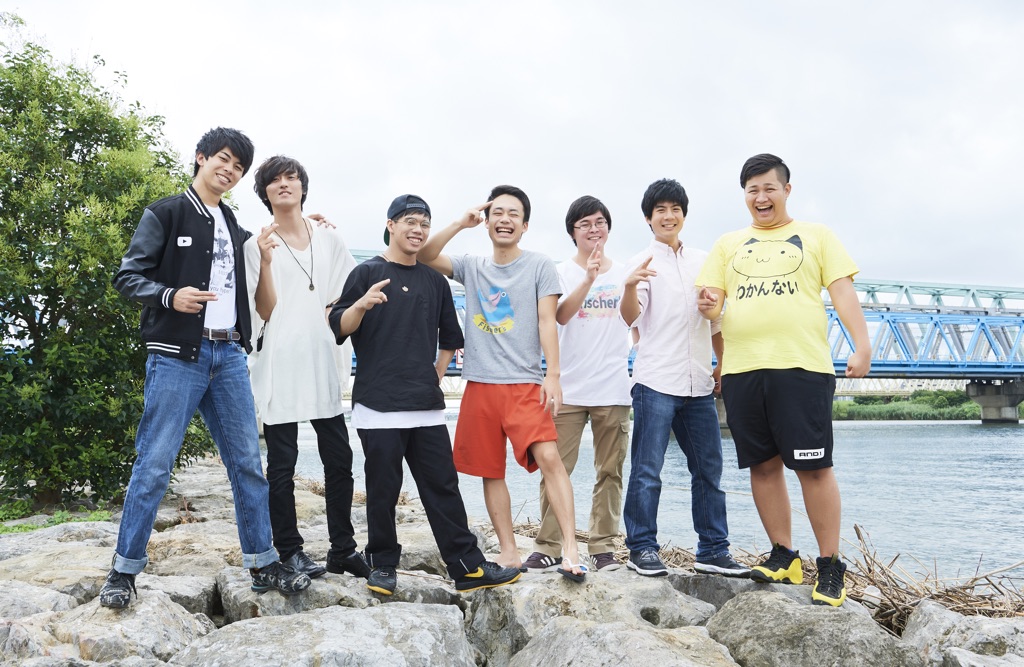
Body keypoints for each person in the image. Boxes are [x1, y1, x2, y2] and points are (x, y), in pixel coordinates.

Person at [102, 128, 310, 608]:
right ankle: (123, 571)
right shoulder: (167, 212)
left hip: (230, 355)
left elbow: (269, 250)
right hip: (178, 356)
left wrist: (307, 224)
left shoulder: (234, 224)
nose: (230, 170)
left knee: (248, 465)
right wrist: (170, 296)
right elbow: (127, 276)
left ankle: (262, 562)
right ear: (200, 158)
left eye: (238, 166)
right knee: (154, 464)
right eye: (223, 159)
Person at [696, 153, 871, 607]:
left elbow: (843, 292)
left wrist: (862, 345)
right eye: (752, 190)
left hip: (802, 366)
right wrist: (709, 304)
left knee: (813, 467)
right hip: (742, 369)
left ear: (786, 190)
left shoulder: (817, 236)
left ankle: (829, 565)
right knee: (762, 465)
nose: (761, 197)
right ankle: (784, 555)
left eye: (769, 188)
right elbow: (714, 303)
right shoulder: (728, 244)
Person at [328, 194, 521, 595]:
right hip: (378, 403)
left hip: (425, 406)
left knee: (443, 487)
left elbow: (450, 337)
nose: (418, 230)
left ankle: (467, 567)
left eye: (424, 224)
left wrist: (435, 374)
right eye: (410, 222)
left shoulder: (434, 280)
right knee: (383, 490)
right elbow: (340, 326)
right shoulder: (366, 272)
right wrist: (361, 305)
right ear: (391, 225)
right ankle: (382, 565)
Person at [418, 185, 586, 581]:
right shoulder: (472, 266)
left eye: (514, 214)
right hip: (480, 384)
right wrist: (460, 222)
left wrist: (553, 374)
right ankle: (509, 551)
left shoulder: (540, 265)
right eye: (498, 212)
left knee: (550, 459)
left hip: (524, 383)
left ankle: (570, 548)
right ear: (487, 222)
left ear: (525, 225)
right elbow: (425, 255)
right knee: (490, 470)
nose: (505, 219)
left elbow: (547, 321)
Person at [244, 155, 368, 581]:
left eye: (291, 177)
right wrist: (264, 262)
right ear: (265, 193)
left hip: (321, 361)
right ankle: (290, 551)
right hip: (279, 364)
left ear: (302, 187)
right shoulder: (257, 245)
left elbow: (349, 293)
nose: (284, 184)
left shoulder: (329, 239)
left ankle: (343, 549)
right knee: (282, 465)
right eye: (274, 180)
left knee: (339, 460)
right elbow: (263, 310)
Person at [619, 178, 749, 578]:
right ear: (648, 218)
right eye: (660, 210)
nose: (668, 216)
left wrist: (723, 364)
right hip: (656, 380)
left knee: (709, 470)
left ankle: (713, 549)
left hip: (699, 383)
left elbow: (715, 321)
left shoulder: (703, 262)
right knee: (647, 471)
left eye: (675, 209)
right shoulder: (641, 263)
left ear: (684, 215)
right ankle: (641, 547)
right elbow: (630, 318)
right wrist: (629, 286)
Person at [521, 196, 632, 573]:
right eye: (584, 224)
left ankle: (603, 547)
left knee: (610, 472)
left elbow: (635, 320)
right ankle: (549, 544)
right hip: (566, 388)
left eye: (600, 222)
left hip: (613, 387)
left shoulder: (626, 273)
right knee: (554, 468)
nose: (593, 229)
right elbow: (559, 317)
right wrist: (589, 279)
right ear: (573, 232)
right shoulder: (559, 273)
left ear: (608, 228)